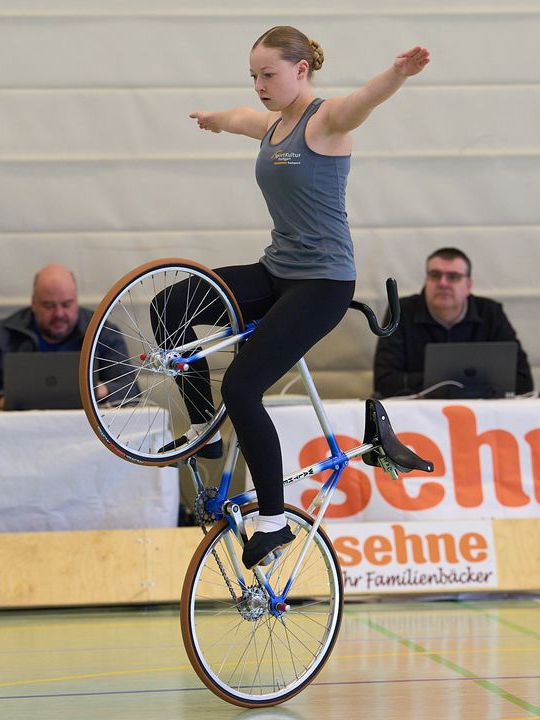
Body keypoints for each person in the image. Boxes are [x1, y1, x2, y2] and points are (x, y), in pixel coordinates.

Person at [164, 26, 430, 568]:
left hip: (323, 285)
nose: (260, 85)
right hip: (277, 270)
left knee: (242, 386)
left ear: (301, 70)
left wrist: (397, 74)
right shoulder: (272, 125)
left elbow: (363, 102)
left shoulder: (326, 122)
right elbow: (243, 118)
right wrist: (214, 120)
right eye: (254, 76)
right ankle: (202, 431)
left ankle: (273, 520)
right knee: (169, 307)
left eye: (269, 74)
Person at [373, 247, 534, 398]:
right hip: (418, 417)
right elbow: (383, 381)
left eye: (453, 277)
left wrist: (439, 384)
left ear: (468, 285)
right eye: (435, 275)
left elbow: (523, 382)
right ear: (426, 280)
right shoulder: (402, 311)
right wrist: (470, 384)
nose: (443, 283)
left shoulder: (491, 312)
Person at [0, 263, 130, 409]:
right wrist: (0, 402)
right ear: (33, 303)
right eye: (48, 306)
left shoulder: (103, 332)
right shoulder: (0, 334)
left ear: (76, 300)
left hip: (86, 431)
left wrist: (100, 390)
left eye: (67, 304)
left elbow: (131, 389)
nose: (59, 313)